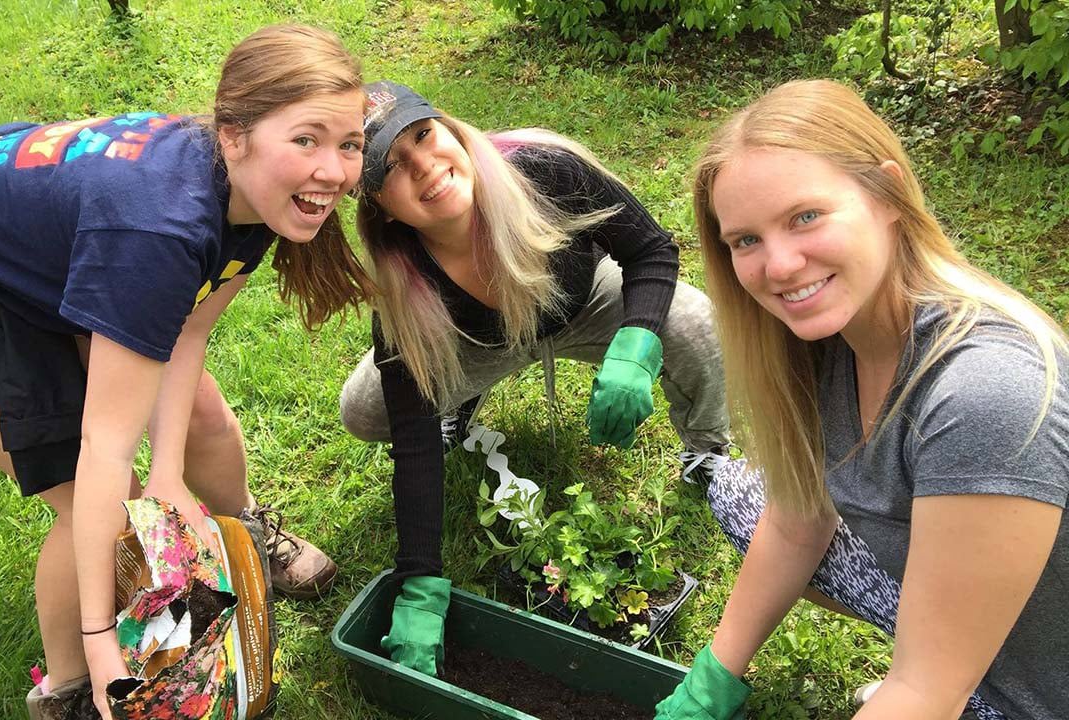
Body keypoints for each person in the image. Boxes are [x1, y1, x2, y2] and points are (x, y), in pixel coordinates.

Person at [0, 24, 374, 719]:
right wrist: (104, 638)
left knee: (201, 423)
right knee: (95, 494)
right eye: (307, 139)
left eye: (349, 144)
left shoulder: (260, 191)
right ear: (233, 134)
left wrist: (170, 478)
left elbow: (189, 327)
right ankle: (68, 687)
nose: (334, 171)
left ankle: (243, 534)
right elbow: (106, 445)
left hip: (34, 258)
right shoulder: (157, 229)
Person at [654, 79, 1069, 720]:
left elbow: (927, 696)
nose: (781, 265)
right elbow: (796, 523)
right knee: (743, 498)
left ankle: (951, 660)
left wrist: (921, 686)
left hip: (1038, 697)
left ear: (888, 195)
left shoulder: (983, 395)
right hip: (987, 648)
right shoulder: (826, 345)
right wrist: (710, 682)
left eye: (805, 217)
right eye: (746, 240)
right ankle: (946, 643)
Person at [339, 81, 730, 676]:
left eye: (424, 135)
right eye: (392, 167)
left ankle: (708, 454)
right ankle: (462, 405)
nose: (425, 166)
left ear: (448, 128)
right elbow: (412, 437)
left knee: (693, 321)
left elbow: (650, 250)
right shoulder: (402, 282)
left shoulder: (543, 171)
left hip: (580, 304)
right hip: (480, 342)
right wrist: (419, 579)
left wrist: (637, 340)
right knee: (366, 409)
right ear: (379, 205)